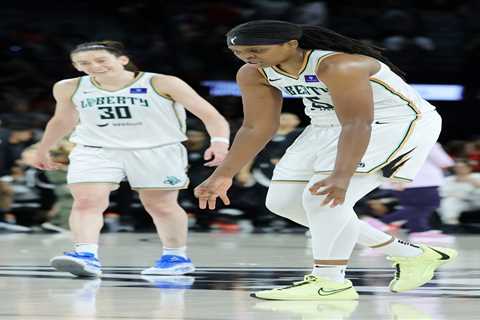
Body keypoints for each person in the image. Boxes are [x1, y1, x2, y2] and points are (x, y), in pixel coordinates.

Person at [194, 20, 457, 300]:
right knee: (283, 203)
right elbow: (256, 127)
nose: (248, 57)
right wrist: (224, 174)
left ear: (291, 45)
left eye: (257, 50)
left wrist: (342, 176)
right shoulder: (253, 73)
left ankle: (330, 282)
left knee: (323, 200)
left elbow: (358, 123)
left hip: (392, 124)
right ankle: (410, 254)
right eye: (239, 52)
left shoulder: (338, 66)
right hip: (324, 125)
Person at [33, 40, 230, 278]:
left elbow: (211, 115)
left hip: (156, 149)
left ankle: (176, 257)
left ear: (122, 59)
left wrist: (219, 143)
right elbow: (62, 120)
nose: (94, 66)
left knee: (160, 206)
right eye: (83, 63)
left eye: (101, 60)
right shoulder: (69, 87)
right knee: (86, 201)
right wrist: (43, 148)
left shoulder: (162, 82)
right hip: (96, 149)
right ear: (76, 66)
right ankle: (86, 255)